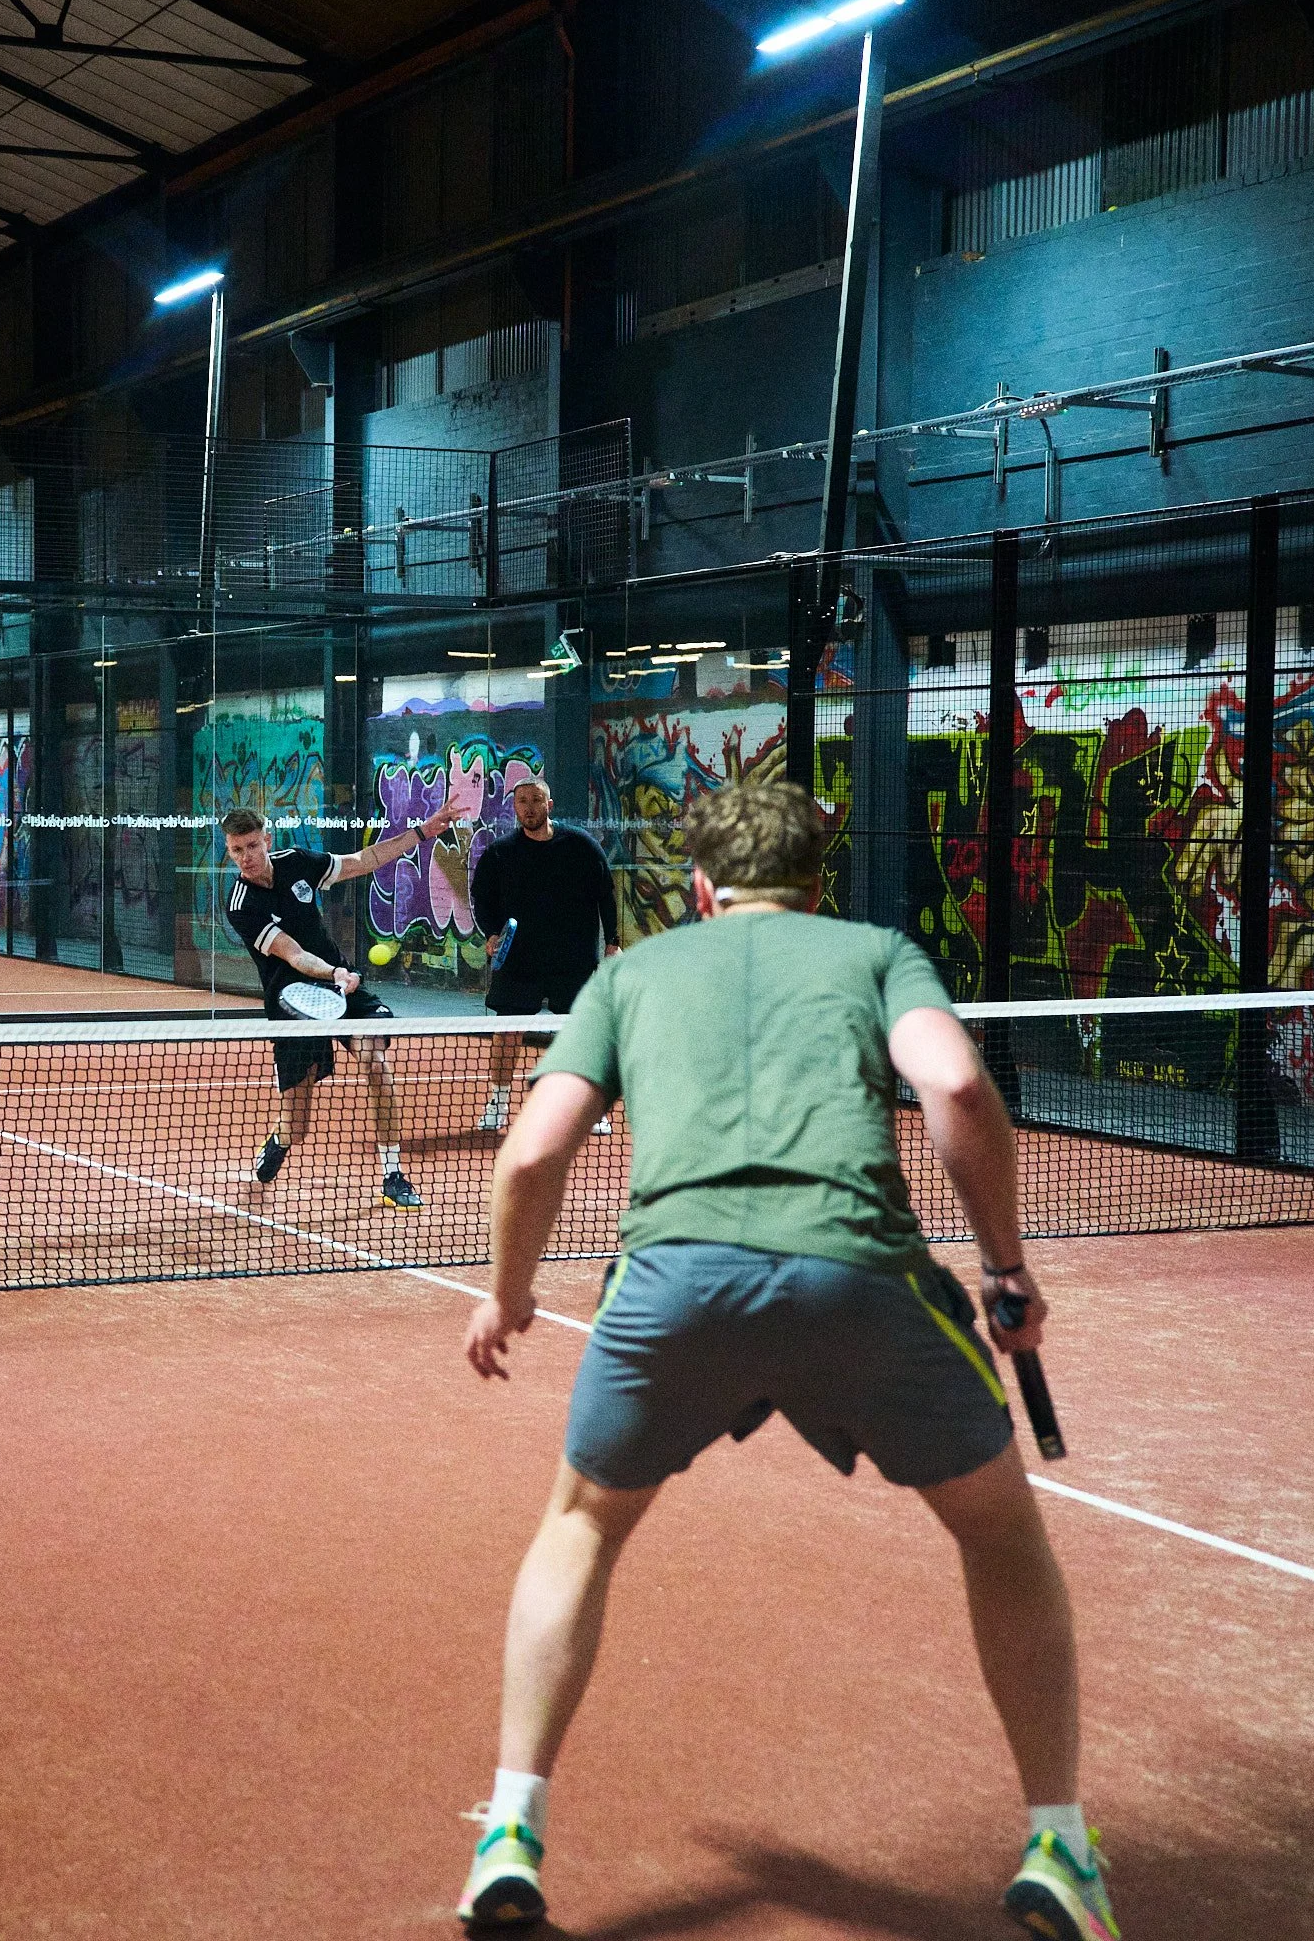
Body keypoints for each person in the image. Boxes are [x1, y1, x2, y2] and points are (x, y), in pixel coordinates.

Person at [456, 781, 1118, 1941]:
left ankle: (510, 1827)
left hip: (671, 1287)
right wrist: (1008, 1271)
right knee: (1003, 1530)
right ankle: (1061, 1845)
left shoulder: (630, 975)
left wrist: (509, 1296)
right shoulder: (874, 951)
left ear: (703, 889)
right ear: (818, 885)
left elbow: (530, 1155)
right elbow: (956, 1083)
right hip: (860, 1277)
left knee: (581, 1524)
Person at [220, 800, 459, 1208]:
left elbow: (364, 860)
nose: (246, 857)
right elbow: (294, 955)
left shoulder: (297, 861)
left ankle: (392, 1174)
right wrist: (333, 972)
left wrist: (423, 832)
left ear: (268, 841)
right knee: (297, 1127)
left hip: (342, 990)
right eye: (237, 850)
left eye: (253, 846)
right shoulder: (241, 904)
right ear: (229, 850)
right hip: (293, 1003)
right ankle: (279, 1143)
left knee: (374, 1062)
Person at [470, 777, 619, 1134]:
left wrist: (612, 941)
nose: (529, 807)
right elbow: (482, 901)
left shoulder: (581, 846)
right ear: (515, 807)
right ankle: (498, 1103)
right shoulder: (500, 853)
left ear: (549, 805)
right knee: (507, 1033)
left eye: (536, 800)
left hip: (572, 960)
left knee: (580, 1034)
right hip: (520, 963)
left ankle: (592, 1107)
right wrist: (491, 934)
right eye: (522, 801)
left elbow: (606, 895)